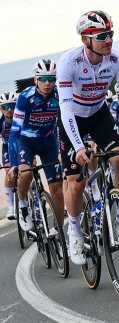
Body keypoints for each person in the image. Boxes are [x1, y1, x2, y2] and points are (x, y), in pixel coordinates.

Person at [57, 10, 119, 266]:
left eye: (110, 34)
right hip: (72, 117)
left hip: (99, 114)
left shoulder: (117, 59)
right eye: (102, 36)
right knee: (75, 183)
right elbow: (65, 109)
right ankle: (75, 230)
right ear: (86, 40)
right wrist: (77, 146)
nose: (109, 40)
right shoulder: (69, 62)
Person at [6, 59, 64, 232]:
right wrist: (14, 163)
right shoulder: (25, 97)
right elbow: (15, 131)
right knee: (25, 173)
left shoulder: (59, 95)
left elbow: (64, 122)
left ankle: (59, 231)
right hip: (27, 141)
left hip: (48, 142)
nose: (47, 83)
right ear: (35, 80)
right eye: (43, 78)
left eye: (51, 79)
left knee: (57, 190)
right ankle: (22, 204)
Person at [1, 91, 16, 221]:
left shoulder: (20, 118)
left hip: (21, 146)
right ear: (1, 109)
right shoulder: (1, 122)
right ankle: (11, 206)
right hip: (7, 147)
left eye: (12, 105)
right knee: (8, 171)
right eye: (6, 106)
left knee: (28, 169)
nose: (9, 109)